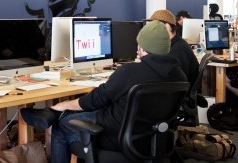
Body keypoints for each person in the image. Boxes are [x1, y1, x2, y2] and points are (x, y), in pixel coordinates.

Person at [48, 20, 187, 163]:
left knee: (61, 126)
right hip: (154, 139)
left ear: (142, 47)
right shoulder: (179, 74)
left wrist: (64, 105)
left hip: (116, 138)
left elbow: (95, 100)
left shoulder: (130, 72)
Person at [149, 9, 199, 86]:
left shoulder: (178, 50)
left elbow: (176, 82)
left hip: (177, 94)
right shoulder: (175, 44)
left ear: (167, 27)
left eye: (154, 27)